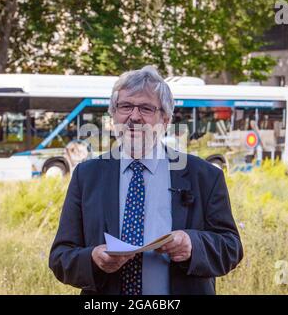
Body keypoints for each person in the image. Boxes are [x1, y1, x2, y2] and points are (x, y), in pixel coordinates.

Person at [49, 65, 243, 295]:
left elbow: (232, 248)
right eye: (125, 106)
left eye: (146, 108)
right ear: (113, 115)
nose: (134, 116)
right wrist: (91, 259)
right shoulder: (86, 176)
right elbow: (61, 257)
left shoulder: (204, 176)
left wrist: (193, 245)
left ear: (166, 119)